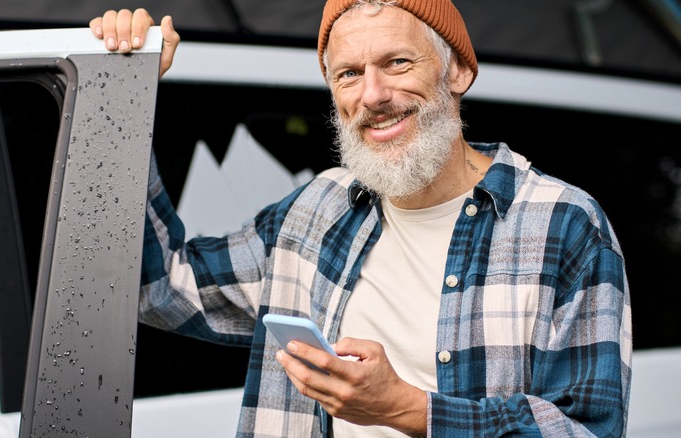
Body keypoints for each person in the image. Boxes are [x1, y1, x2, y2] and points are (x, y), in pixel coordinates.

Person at [90, 1, 632, 436]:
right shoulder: (317, 208)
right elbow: (161, 285)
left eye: (397, 62)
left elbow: (589, 430)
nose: (372, 95)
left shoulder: (563, 224)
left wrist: (407, 410)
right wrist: (125, 97)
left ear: (460, 71)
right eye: (349, 73)